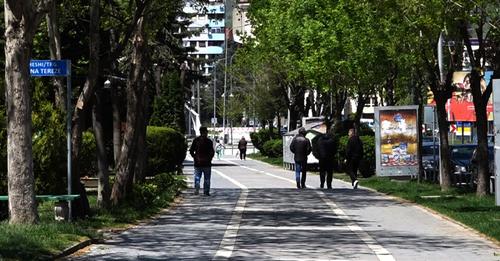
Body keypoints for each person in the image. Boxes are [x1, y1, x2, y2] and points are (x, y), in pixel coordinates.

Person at [189, 127, 215, 196]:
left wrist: (195, 157)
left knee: (197, 177)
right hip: (207, 163)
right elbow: (212, 152)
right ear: (206, 132)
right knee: (207, 178)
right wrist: (210, 158)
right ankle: (206, 191)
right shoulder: (209, 141)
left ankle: (197, 188)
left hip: (198, 163)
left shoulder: (196, 140)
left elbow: (191, 150)